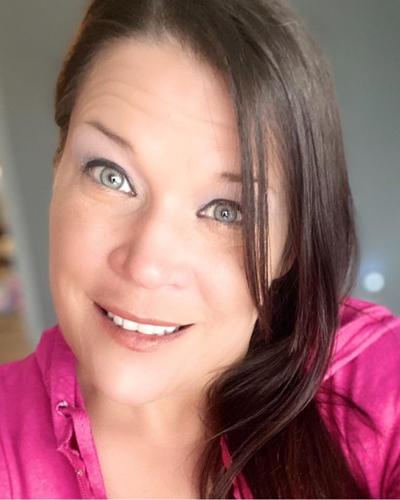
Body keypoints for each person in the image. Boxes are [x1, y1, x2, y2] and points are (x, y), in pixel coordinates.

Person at [0, 0, 399, 498]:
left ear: (290, 248)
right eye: (112, 175)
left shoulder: (373, 384)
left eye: (227, 210)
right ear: (58, 167)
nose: (146, 266)